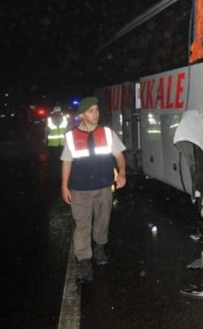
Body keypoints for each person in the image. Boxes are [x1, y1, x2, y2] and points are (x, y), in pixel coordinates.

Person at [60, 96, 127, 284]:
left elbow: (119, 156)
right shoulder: (72, 136)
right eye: (91, 111)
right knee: (82, 225)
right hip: (79, 189)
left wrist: (122, 173)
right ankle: (85, 262)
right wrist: (64, 186)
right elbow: (66, 162)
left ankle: (99, 247)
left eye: (97, 110)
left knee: (102, 220)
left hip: (104, 186)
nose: (95, 114)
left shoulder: (107, 133)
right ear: (82, 115)